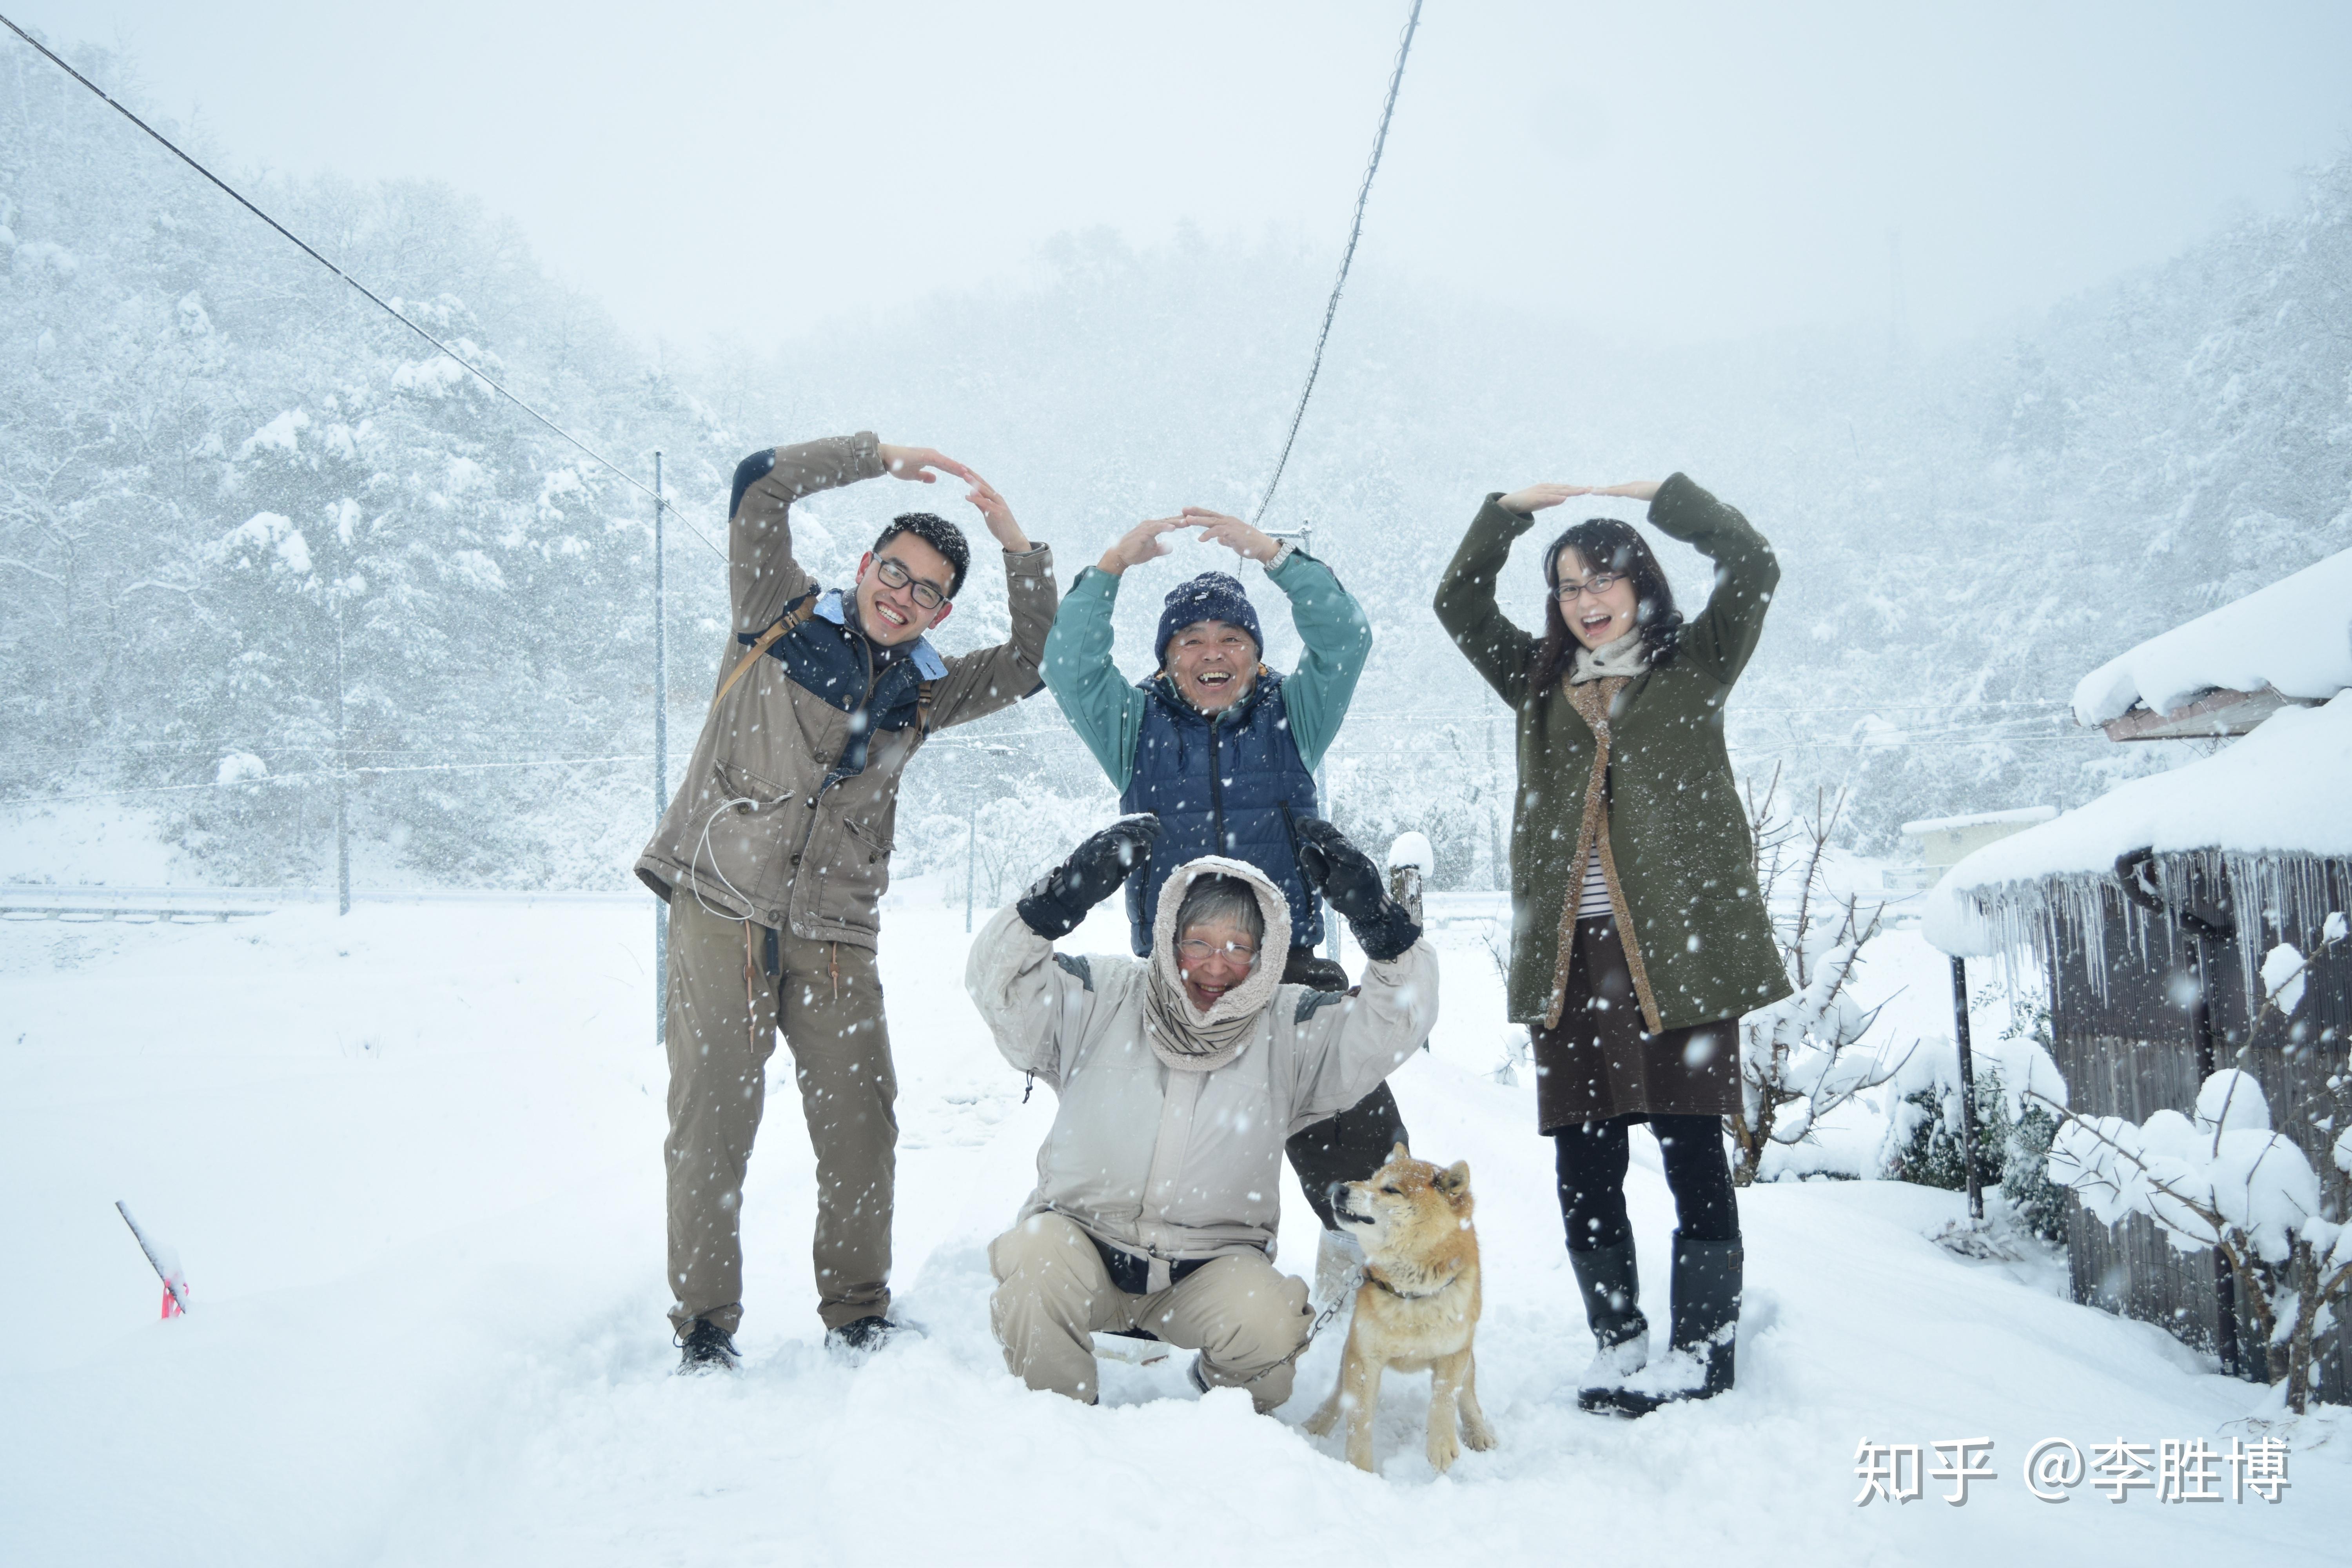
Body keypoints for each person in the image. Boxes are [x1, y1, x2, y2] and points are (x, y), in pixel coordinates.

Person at [635, 432, 1058, 1371]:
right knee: (713, 1122)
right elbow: (759, 487)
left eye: (927, 591)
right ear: (864, 565)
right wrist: (876, 455)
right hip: (723, 904)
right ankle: (705, 1325)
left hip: (835, 932)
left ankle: (857, 1313)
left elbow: (1037, 658)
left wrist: (1014, 543)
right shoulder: (773, 614)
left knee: (862, 1125)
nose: (902, 597)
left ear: (942, 609)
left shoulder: (928, 690)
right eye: (894, 572)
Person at [1432, 474, 1789, 1416]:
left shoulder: (1698, 663)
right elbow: (1456, 601)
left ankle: (1703, 1349)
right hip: (1571, 958)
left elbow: (1753, 562)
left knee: (1689, 1148)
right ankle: (1619, 1338)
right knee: (1584, 1155)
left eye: (1603, 581)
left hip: (1682, 954)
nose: (1587, 602)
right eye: (1568, 586)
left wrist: (1662, 495)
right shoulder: (1537, 682)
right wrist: (1507, 513)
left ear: (1642, 585)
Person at [1038, 505, 1410, 1305]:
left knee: (1356, 1138)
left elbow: (1347, 640)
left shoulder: (1295, 715)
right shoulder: (1131, 724)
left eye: (1231, 641)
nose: (1213, 655)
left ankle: (1356, 1292)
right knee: (1172, 1158)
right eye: (1192, 642)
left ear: (1255, 654)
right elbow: (1068, 665)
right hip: (1175, 981)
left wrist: (1277, 557)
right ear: (1168, 658)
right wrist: (1110, 567)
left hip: (1292, 967)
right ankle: (1146, 1295)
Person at [965, 813, 1435, 1409]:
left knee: (1271, 1330)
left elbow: (1396, 1023)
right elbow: (998, 984)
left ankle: (1217, 1418)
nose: (1218, 965)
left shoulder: (1289, 1027)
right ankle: (1060, 1425)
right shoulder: (1103, 996)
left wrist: (1381, 926)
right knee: (1033, 1257)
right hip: (1082, 1252)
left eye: (1241, 948)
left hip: (1207, 1274)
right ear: (1169, 937)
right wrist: (1056, 902)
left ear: (1266, 956)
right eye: (1200, 943)